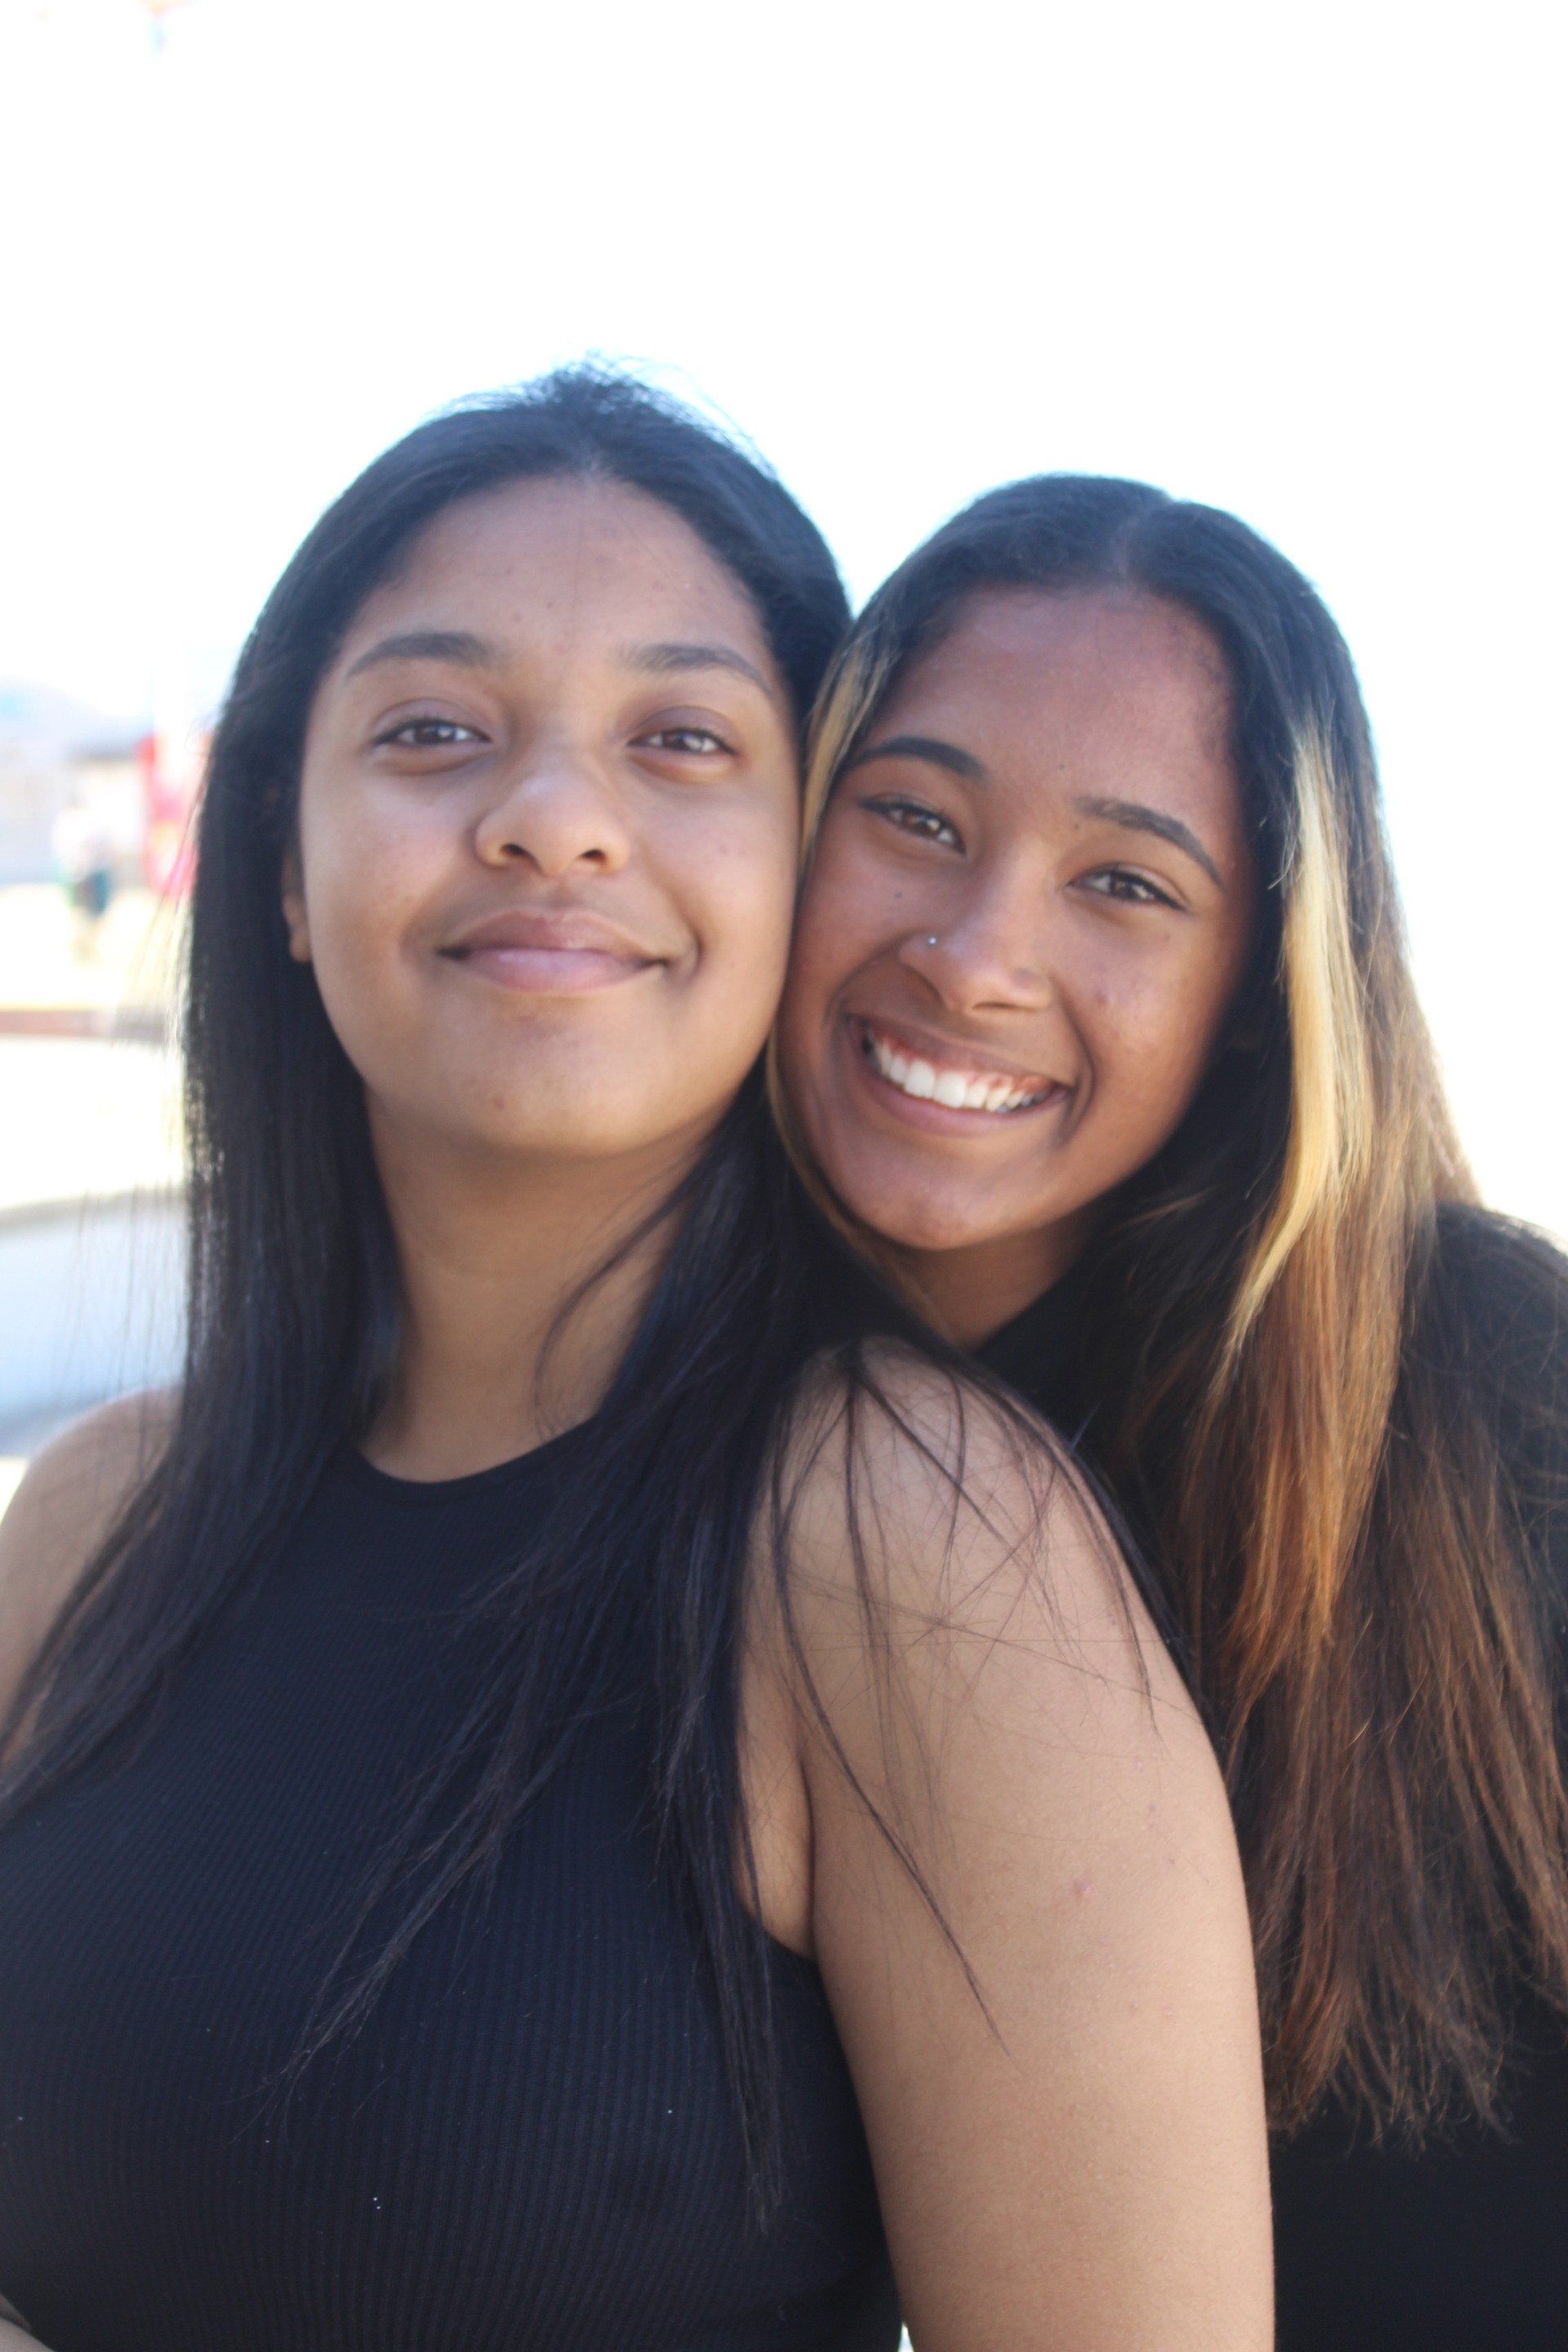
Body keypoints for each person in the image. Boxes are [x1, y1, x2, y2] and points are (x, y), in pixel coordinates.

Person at [0, 382, 1271, 2352]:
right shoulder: (91, 1523)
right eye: (433, 730)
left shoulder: (921, 1555)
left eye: (681, 741)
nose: (554, 818)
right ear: (283, 868)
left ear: (799, 873)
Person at [773, 473, 1568, 2352]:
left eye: (1125, 883)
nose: (978, 954)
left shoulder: (1481, 1392)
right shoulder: (686, 1430)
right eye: (915, 818)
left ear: (1254, 987)